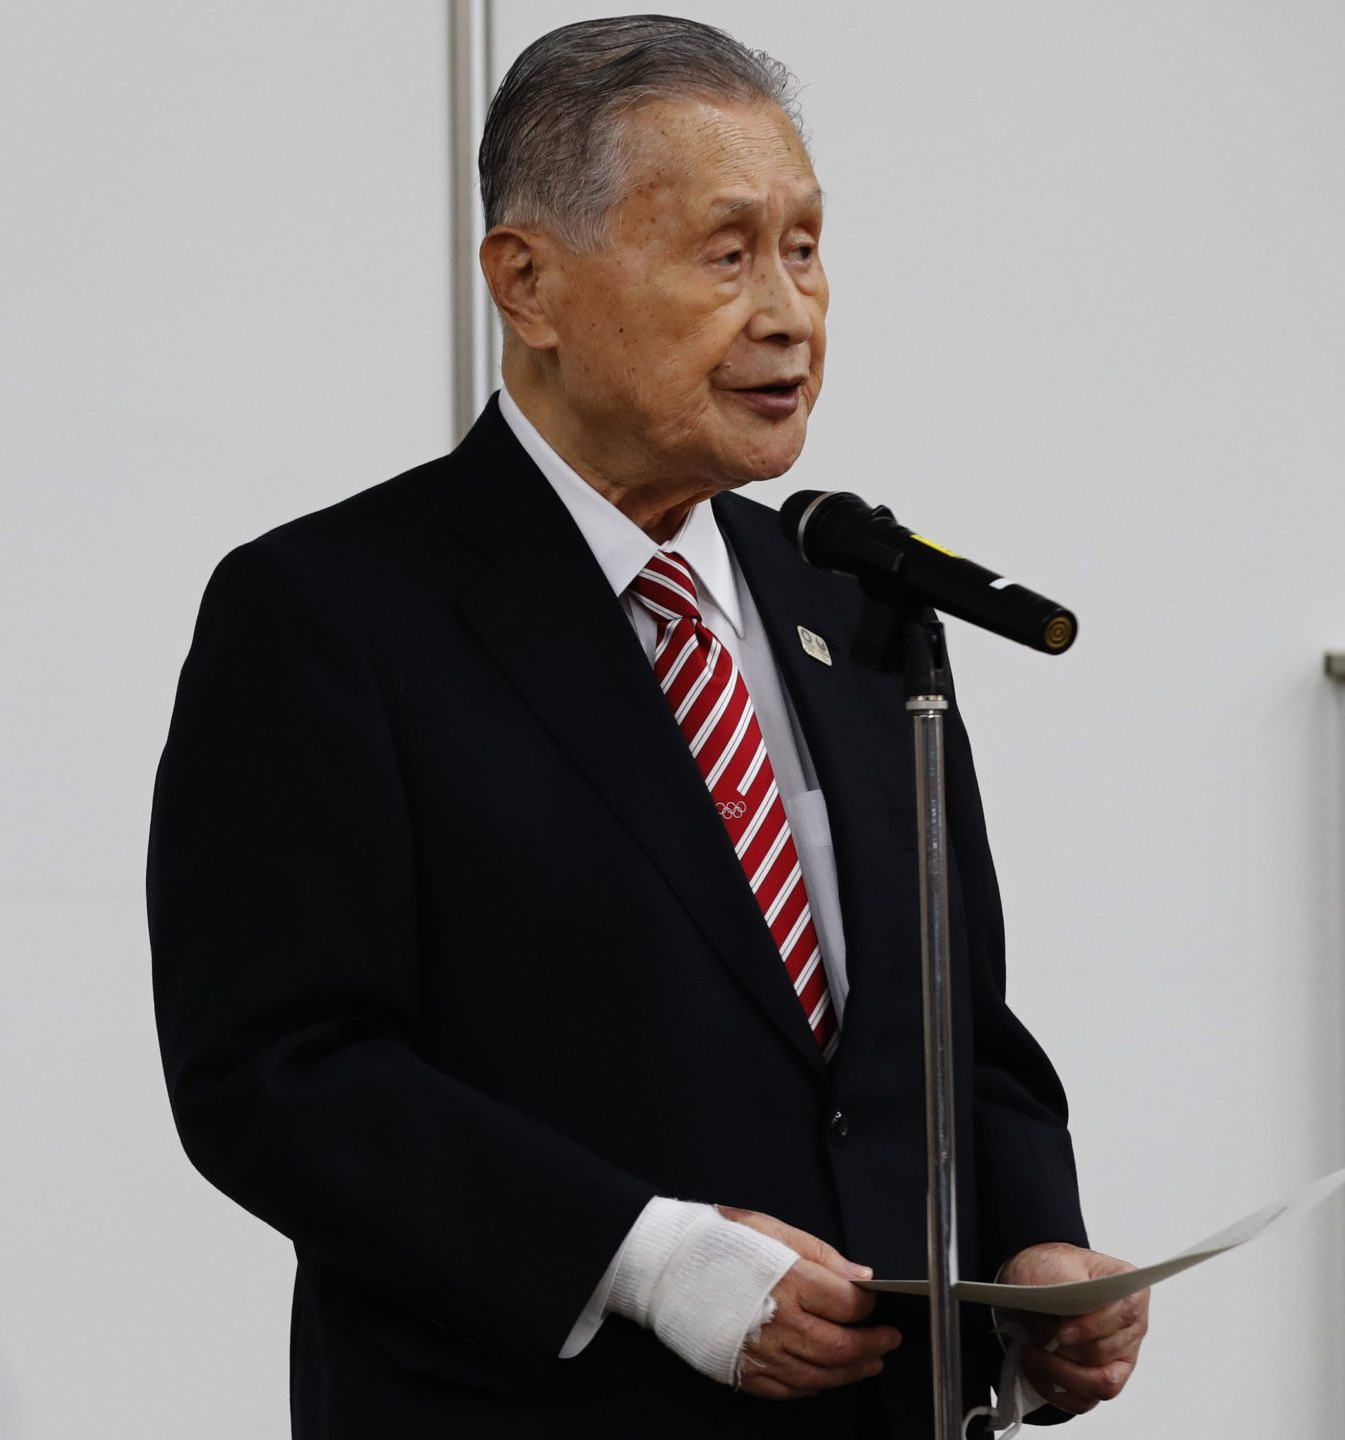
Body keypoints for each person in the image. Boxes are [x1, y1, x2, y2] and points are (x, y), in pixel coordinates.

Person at [144, 16, 1150, 1438]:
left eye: (806, 248)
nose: (790, 312)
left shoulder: (854, 604)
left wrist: (1034, 1254)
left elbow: (955, 1033)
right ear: (530, 282)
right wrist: (641, 1256)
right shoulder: (330, 614)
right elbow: (276, 1073)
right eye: (727, 254)